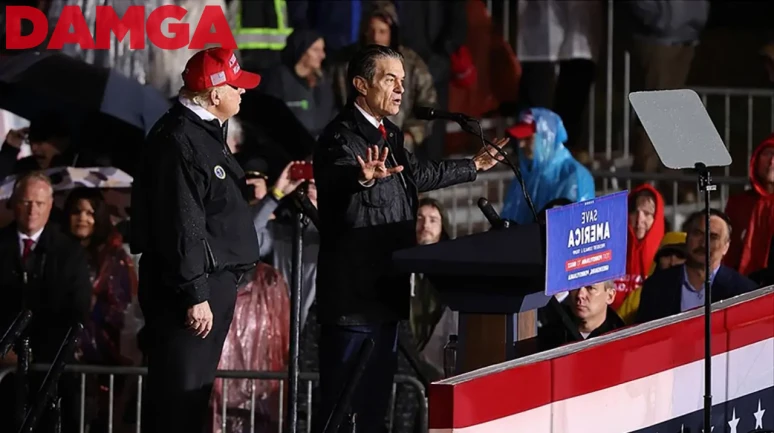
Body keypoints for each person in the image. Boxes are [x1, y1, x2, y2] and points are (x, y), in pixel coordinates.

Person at [312, 44, 507, 433]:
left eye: (403, 81)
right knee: (342, 409)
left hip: (386, 296)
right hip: (354, 302)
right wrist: (363, 177)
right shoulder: (340, 137)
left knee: (373, 412)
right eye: (389, 80)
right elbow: (339, 180)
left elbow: (418, 174)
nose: (401, 89)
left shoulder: (391, 134)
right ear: (360, 85)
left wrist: (474, 165)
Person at [130, 47, 262, 433]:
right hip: (190, 291)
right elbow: (181, 221)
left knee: (191, 399)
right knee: (177, 403)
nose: (243, 92)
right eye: (237, 86)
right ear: (215, 93)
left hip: (208, 282)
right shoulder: (181, 139)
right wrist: (195, 292)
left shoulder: (201, 133)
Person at [0, 172, 92, 433]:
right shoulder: (2, 245)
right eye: (26, 202)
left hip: (52, 369)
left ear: (50, 206)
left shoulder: (69, 251)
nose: (32, 211)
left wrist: (43, 352)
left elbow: (77, 308)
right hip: (5, 370)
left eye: (39, 204)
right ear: (14, 203)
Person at [635, 210, 758, 324]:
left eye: (713, 237)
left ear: (726, 246)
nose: (704, 243)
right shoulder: (656, 287)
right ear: (687, 238)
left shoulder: (745, 293)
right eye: (698, 234)